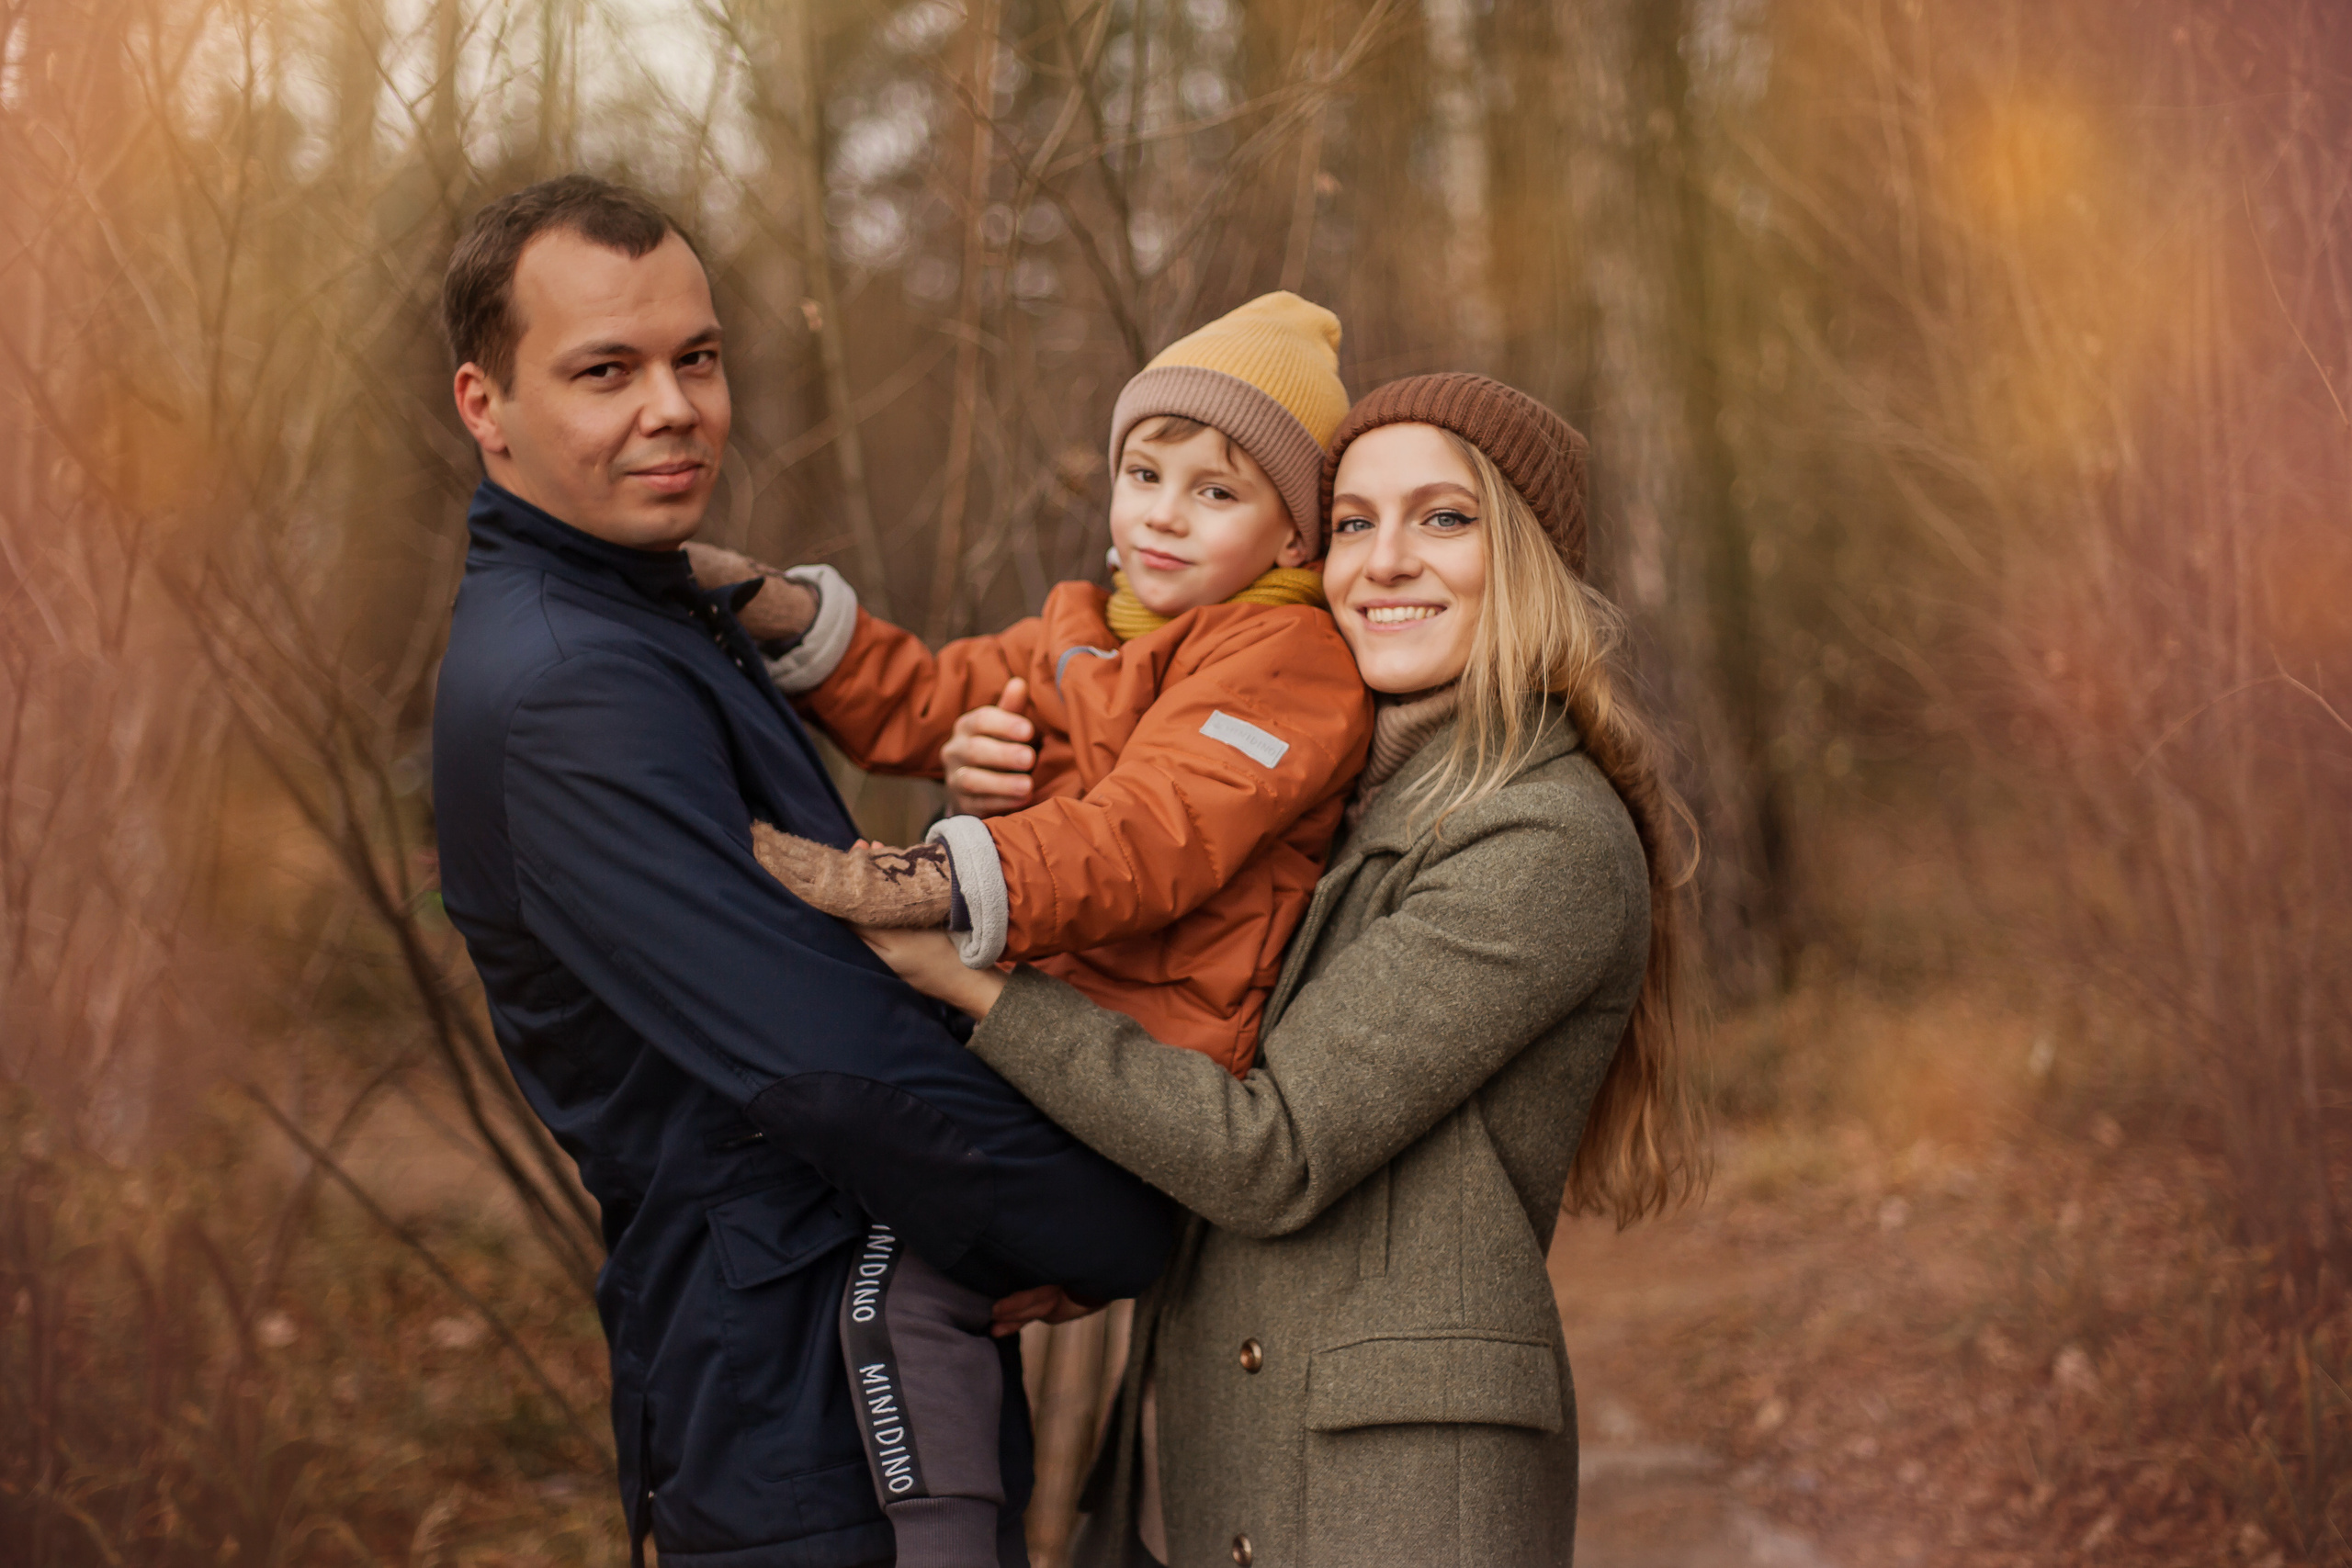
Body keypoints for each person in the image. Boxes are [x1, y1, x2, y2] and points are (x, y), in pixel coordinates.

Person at [428, 174, 1173, 1568]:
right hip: (796, 1415)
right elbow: (825, 1063)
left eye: (695, 358)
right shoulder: (566, 688)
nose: (675, 408)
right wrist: (1113, 1221)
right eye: (606, 371)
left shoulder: (647, 614)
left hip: (852, 1366)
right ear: (487, 406)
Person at [861, 374, 1703, 1566]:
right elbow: (1168, 977)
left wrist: (970, 980)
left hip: (1392, 1500)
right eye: (1355, 522)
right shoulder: (1328, 792)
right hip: (1216, 1455)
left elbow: (1272, 1148)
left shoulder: (1539, 835)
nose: (1387, 561)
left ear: (1526, 559)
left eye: (1443, 518)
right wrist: (1006, 787)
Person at [689, 293, 1373, 1565]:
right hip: (1037, 1049)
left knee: (903, 1284)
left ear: (1297, 526)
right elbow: (929, 694)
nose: (1161, 513)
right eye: (1142, 473)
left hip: (1137, 1085)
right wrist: (782, 612)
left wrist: (934, 875)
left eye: (1215, 494)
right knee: (890, 1274)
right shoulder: (1087, 635)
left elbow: (1155, 832)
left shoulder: (1287, 660)